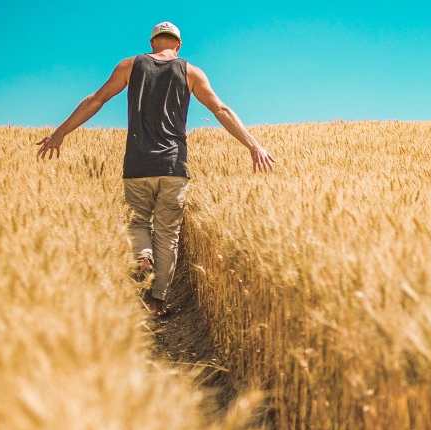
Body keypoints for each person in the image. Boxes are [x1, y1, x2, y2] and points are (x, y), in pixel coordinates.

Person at [36, 21, 275, 316]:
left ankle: (142, 255)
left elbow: (96, 100)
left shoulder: (129, 66)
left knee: (137, 223)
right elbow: (220, 110)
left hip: (137, 163)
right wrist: (254, 146)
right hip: (173, 166)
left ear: (152, 44)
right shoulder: (191, 72)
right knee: (168, 235)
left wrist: (60, 132)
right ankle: (157, 300)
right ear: (178, 45)